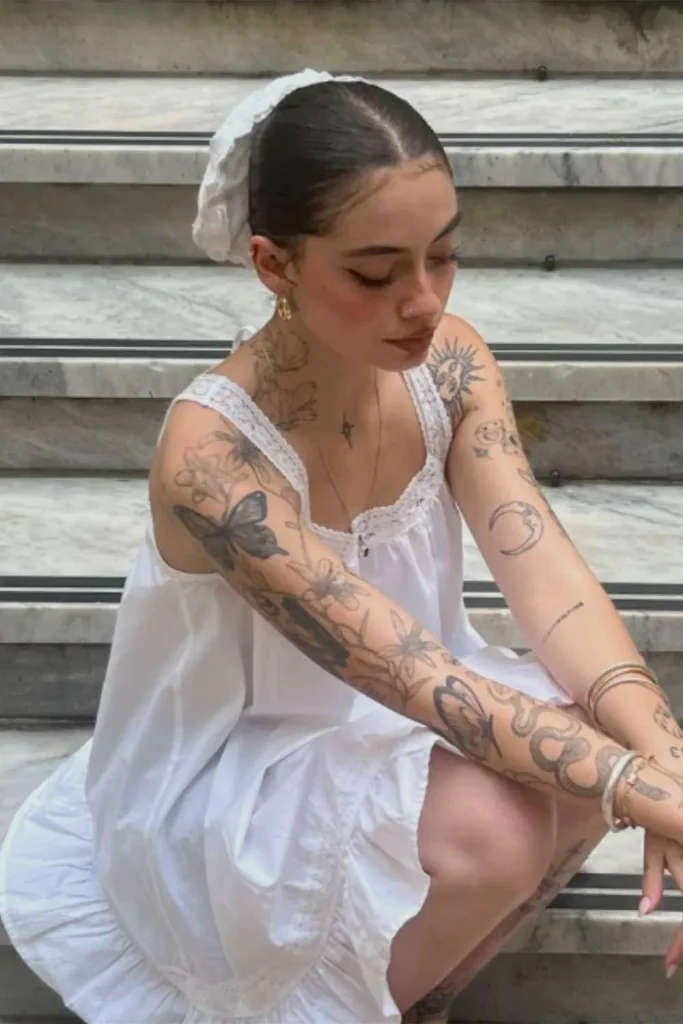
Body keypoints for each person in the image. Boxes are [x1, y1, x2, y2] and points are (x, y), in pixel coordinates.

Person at [1, 68, 683, 1024]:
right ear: (274, 264)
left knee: (595, 745)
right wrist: (649, 794)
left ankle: (412, 999)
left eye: (443, 257)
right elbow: (418, 676)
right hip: (246, 766)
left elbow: (544, 573)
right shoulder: (215, 459)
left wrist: (662, 753)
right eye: (376, 271)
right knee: (497, 827)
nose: (423, 299)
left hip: (396, 723)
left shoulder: (449, 362)